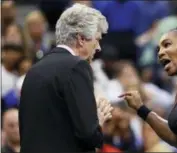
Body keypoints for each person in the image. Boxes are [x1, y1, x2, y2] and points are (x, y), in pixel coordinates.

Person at [19, 3, 113, 153]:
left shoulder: (34, 70)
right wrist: (98, 121)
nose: (99, 47)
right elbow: (88, 135)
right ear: (81, 39)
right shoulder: (77, 66)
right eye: (97, 39)